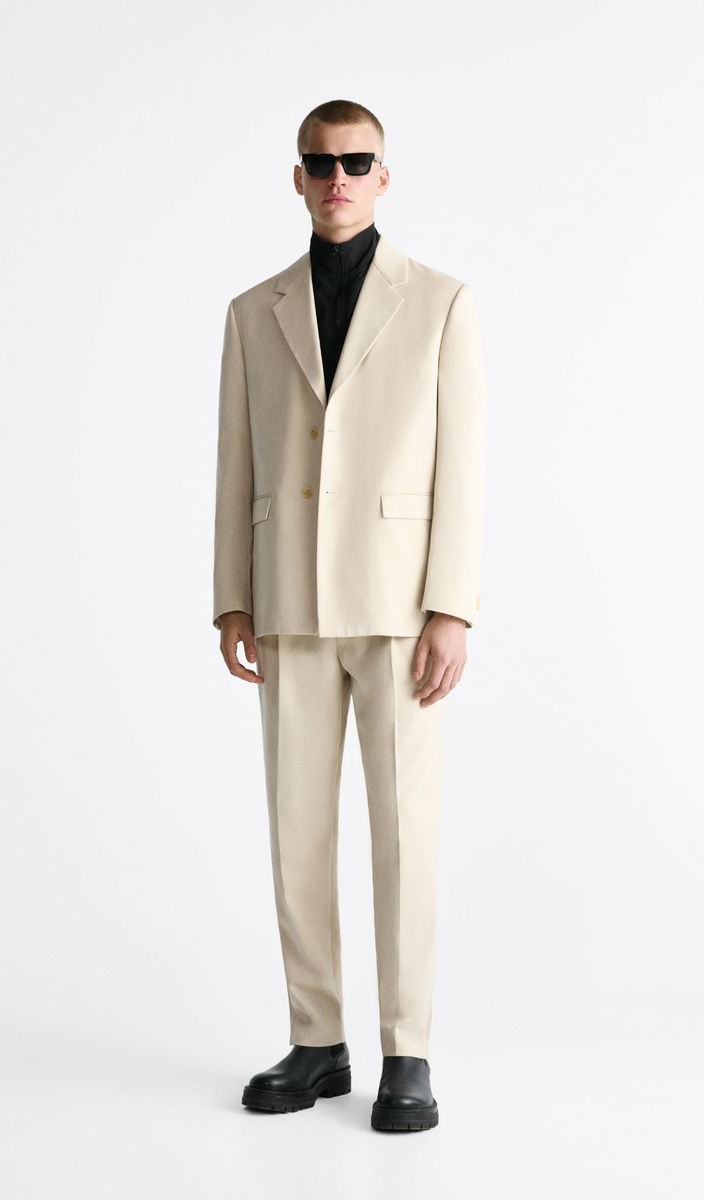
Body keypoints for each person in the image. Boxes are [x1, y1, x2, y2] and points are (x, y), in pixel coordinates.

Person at [212, 98, 486, 1132]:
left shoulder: (441, 302)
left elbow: (462, 467)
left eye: (356, 163)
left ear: (382, 176)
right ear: (298, 176)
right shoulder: (254, 310)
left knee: (404, 835)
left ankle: (406, 1050)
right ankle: (316, 1039)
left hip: (398, 607)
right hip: (287, 597)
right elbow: (236, 459)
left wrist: (450, 606)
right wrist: (232, 594)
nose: (338, 179)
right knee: (297, 832)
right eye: (321, 163)